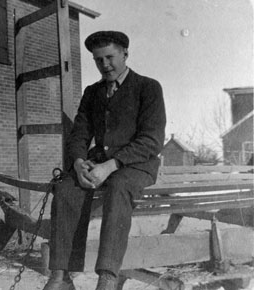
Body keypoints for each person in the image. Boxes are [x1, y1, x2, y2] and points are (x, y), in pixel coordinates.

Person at [42, 31, 166, 290]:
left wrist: (111, 165)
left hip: (137, 165)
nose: (105, 65)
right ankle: (61, 275)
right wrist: (78, 162)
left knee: (119, 186)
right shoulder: (92, 92)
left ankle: (107, 277)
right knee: (65, 188)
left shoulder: (148, 87)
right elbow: (79, 134)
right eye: (98, 60)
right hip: (97, 164)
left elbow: (151, 140)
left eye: (110, 57)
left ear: (125, 54)